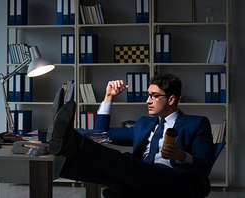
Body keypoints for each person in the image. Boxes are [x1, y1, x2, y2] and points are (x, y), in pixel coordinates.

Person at [49, 74, 214, 198]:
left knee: (126, 162)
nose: (148, 101)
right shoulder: (144, 123)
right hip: (139, 179)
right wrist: (109, 97)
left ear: (171, 99)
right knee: (109, 175)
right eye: (148, 95)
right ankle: (66, 147)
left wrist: (182, 156)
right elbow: (100, 135)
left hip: (174, 181)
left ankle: (69, 140)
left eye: (154, 96)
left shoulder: (197, 123)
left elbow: (204, 166)